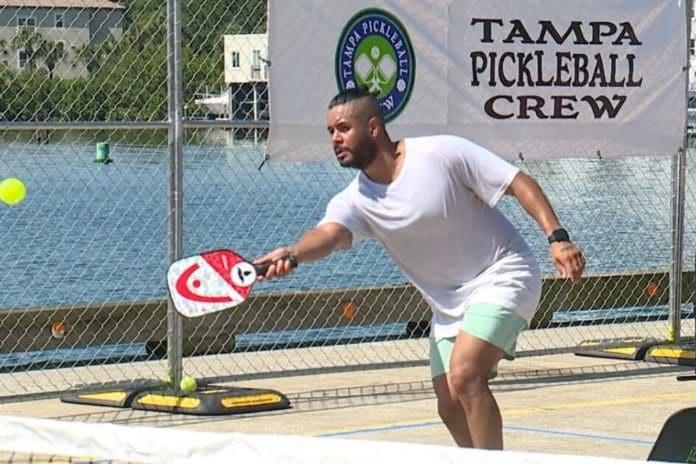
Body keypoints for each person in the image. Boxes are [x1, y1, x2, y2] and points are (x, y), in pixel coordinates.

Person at [255, 87, 585, 450]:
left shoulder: (441, 153)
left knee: (465, 374)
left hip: (504, 274)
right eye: (331, 131)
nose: (335, 139)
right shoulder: (355, 200)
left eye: (343, 128)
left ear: (374, 127)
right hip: (447, 306)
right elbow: (328, 235)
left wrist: (557, 238)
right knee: (448, 404)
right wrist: (294, 253)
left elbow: (518, 182)